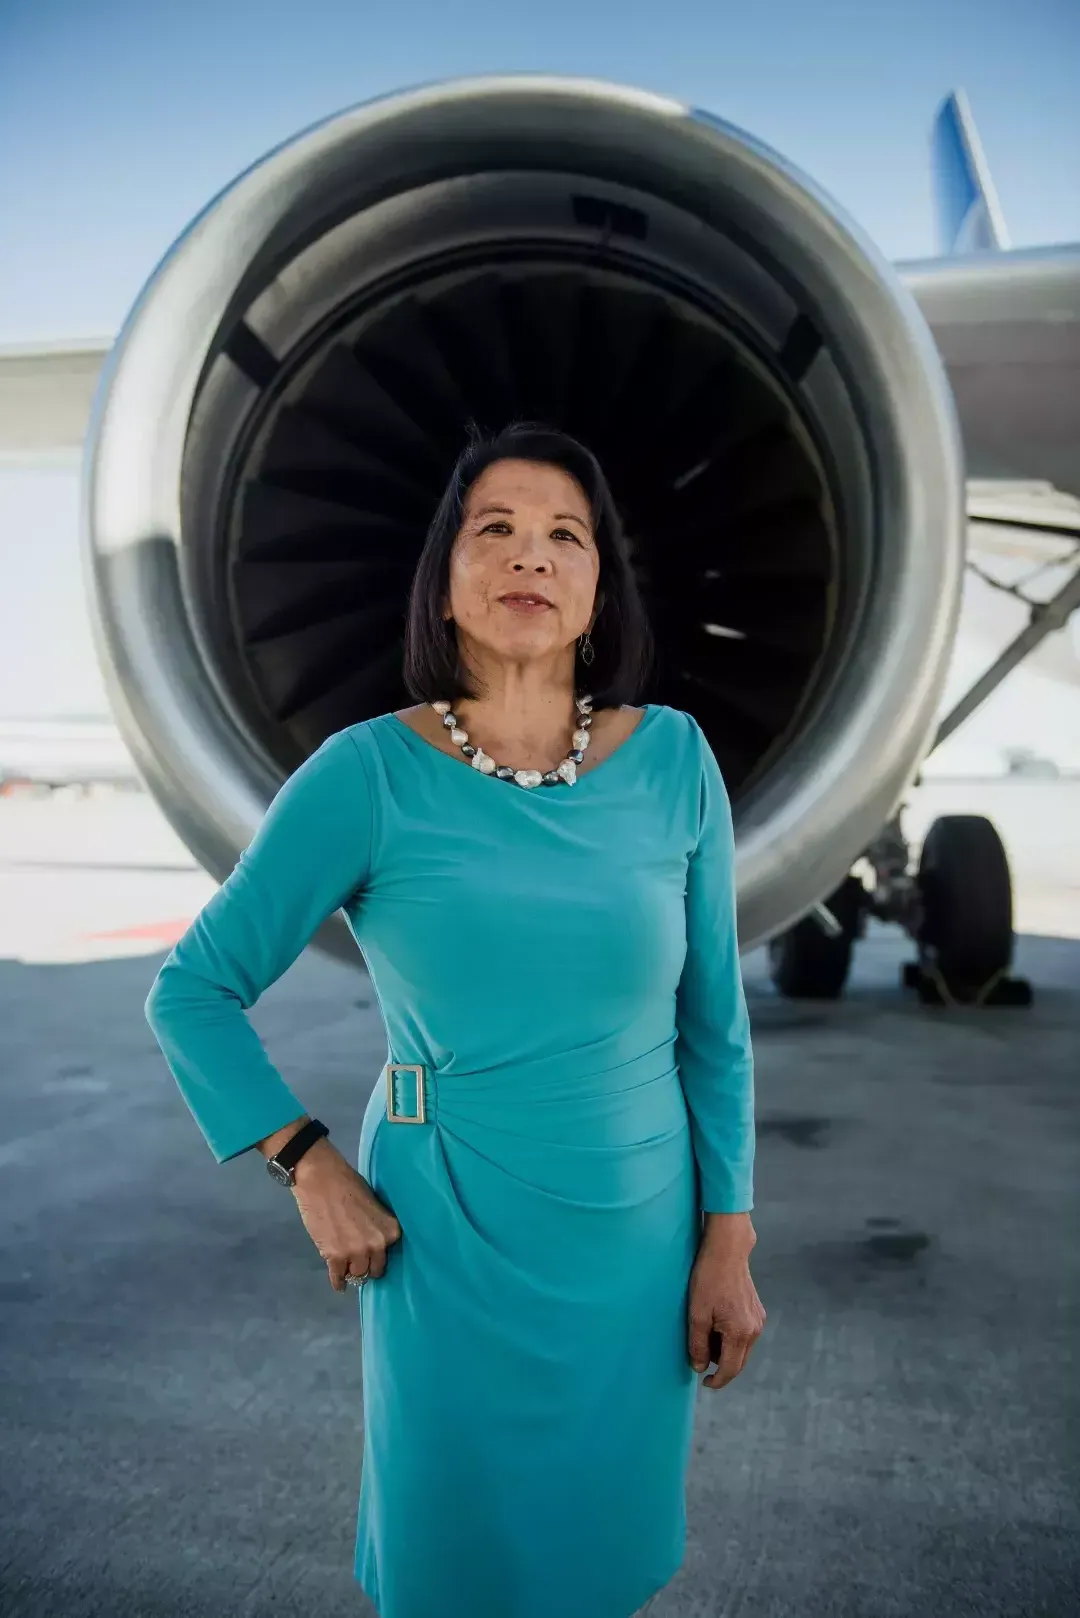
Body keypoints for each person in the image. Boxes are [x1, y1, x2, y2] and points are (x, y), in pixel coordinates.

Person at [144, 421, 765, 1618]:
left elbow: (715, 1028)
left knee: (606, 1557)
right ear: (446, 577)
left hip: (639, 1239)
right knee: (456, 1565)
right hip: (450, 1232)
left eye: (563, 536)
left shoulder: (677, 761)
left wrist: (728, 1240)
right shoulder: (364, 773)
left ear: (596, 588)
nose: (531, 556)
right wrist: (302, 1159)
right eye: (497, 531)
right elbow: (193, 990)